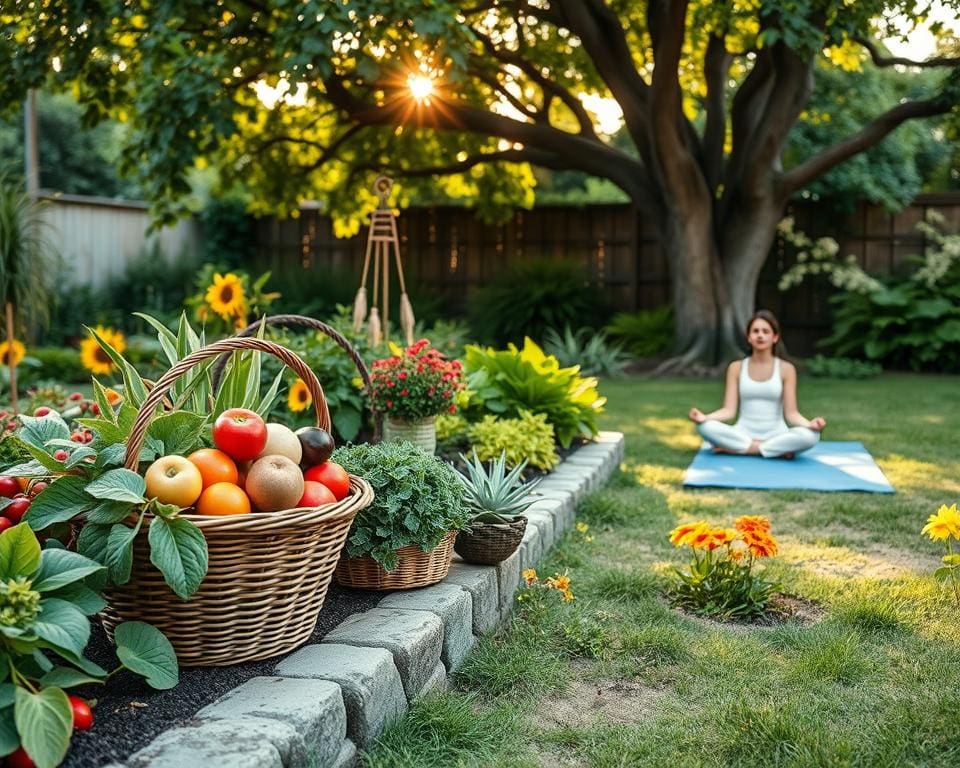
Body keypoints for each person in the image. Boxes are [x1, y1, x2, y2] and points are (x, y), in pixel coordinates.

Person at [688, 310, 826, 459]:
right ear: (749, 337)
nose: (760, 335)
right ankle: (774, 450)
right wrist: (705, 418)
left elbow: (792, 414)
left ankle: (739, 449)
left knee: (811, 437)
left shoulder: (787, 369)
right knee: (704, 427)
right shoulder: (736, 367)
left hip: (777, 434)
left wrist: (810, 425)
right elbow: (728, 410)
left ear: (775, 337)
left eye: (766, 331)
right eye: (755, 331)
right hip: (742, 433)